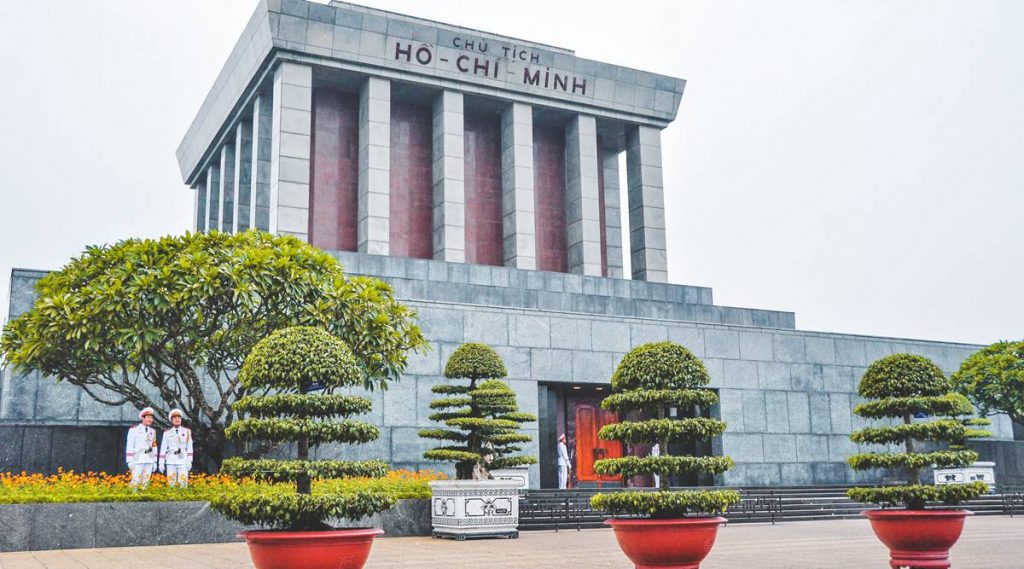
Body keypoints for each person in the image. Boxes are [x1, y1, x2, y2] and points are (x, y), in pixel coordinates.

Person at [159, 408, 194, 488]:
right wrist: (161, 462)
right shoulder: (167, 433)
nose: (177, 420)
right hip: (171, 460)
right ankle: (171, 499)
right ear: (172, 420)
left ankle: (182, 499)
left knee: (183, 482)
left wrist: (189, 460)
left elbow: (189, 447)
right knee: (171, 483)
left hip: (183, 460)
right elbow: (163, 448)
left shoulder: (187, 432)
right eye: (175, 418)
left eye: (179, 418)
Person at [125, 407, 159, 489]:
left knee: (145, 481)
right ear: (143, 418)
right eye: (148, 417)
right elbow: (130, 445)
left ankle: (143, 499)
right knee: (135, 480)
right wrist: (129, 460)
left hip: (149, 459)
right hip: (138, 459)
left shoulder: (153, 431)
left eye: (151, 418)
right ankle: (133, 497)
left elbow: (154, 446)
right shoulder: (134, 429)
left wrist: (154, 460)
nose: (150, 420)